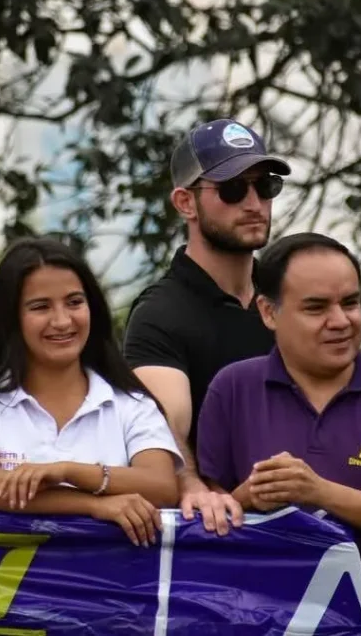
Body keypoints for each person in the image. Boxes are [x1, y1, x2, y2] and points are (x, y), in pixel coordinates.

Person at [196, 232, 361, 635]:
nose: (340, 321)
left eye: (350, 303)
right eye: (316, 307)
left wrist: (319, 491)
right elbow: (203, 524)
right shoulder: (233, 389)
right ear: (269, 312)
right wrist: (247, 497)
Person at [0, 238, 181, 546]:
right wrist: (94, 506)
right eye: (41, 307)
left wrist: (67, 471)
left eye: (74, 302)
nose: (62, 320)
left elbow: (162, 486)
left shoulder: (133, 404)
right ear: (11, 318)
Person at [121, 118, 289, 535]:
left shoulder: (290, 298)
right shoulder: (161, 312)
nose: (254, 203)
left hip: (307, 520)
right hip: (221, 532)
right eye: (232, 189)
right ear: (185, 203)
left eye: (265, 186)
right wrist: (191, 484)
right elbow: (162, 424)